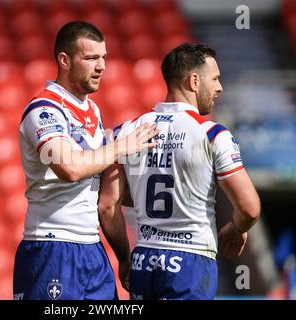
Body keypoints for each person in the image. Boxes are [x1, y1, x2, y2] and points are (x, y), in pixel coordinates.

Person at [98, 43, 261, 300]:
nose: (220, 87)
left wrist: (125, 259)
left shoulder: (126, 132)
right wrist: (236, 229)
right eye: (215, 79)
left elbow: (107, 207)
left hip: (144, 259)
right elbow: (249, 208)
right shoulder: (212, 134)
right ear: (194, 81)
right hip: (190, 262)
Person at [14, 21, 158, 300]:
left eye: (104, 57)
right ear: (64, 60)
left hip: (92, 250)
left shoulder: (91, 109)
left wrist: (124, 256)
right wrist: (120, 147)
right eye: (91, 58)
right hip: (53, 247)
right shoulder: (44, 110)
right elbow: (69, 168)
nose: (102, 66)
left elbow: (105, 201)